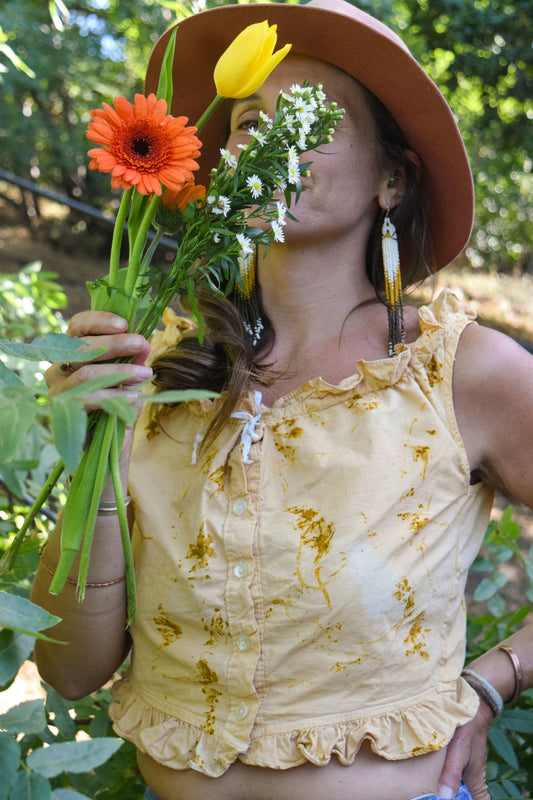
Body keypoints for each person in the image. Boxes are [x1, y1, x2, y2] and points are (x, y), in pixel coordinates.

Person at [31, 2, 533, 799]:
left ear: (390, 179)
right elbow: (68, 671)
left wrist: (495, 678)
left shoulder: (458, 371)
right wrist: (91, 453)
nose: (267, 142)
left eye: (312, 119)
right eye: (246, 122)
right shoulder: (154, 381)